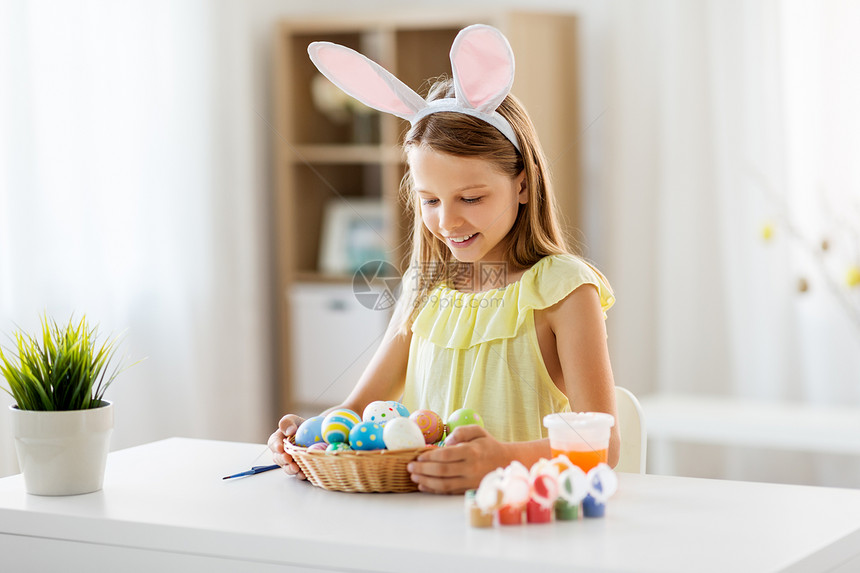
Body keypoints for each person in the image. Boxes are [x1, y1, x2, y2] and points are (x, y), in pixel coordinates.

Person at [268, 24, 619, 494]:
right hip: (425, 523)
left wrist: (499, 460)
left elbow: (603, 446)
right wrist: (309, 436)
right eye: (430, 200)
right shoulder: (423, 286)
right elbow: (357, 409)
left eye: (471, 198)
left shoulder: (564, 290)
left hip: (519, 524)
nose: (449, 221)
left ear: (522, 184)